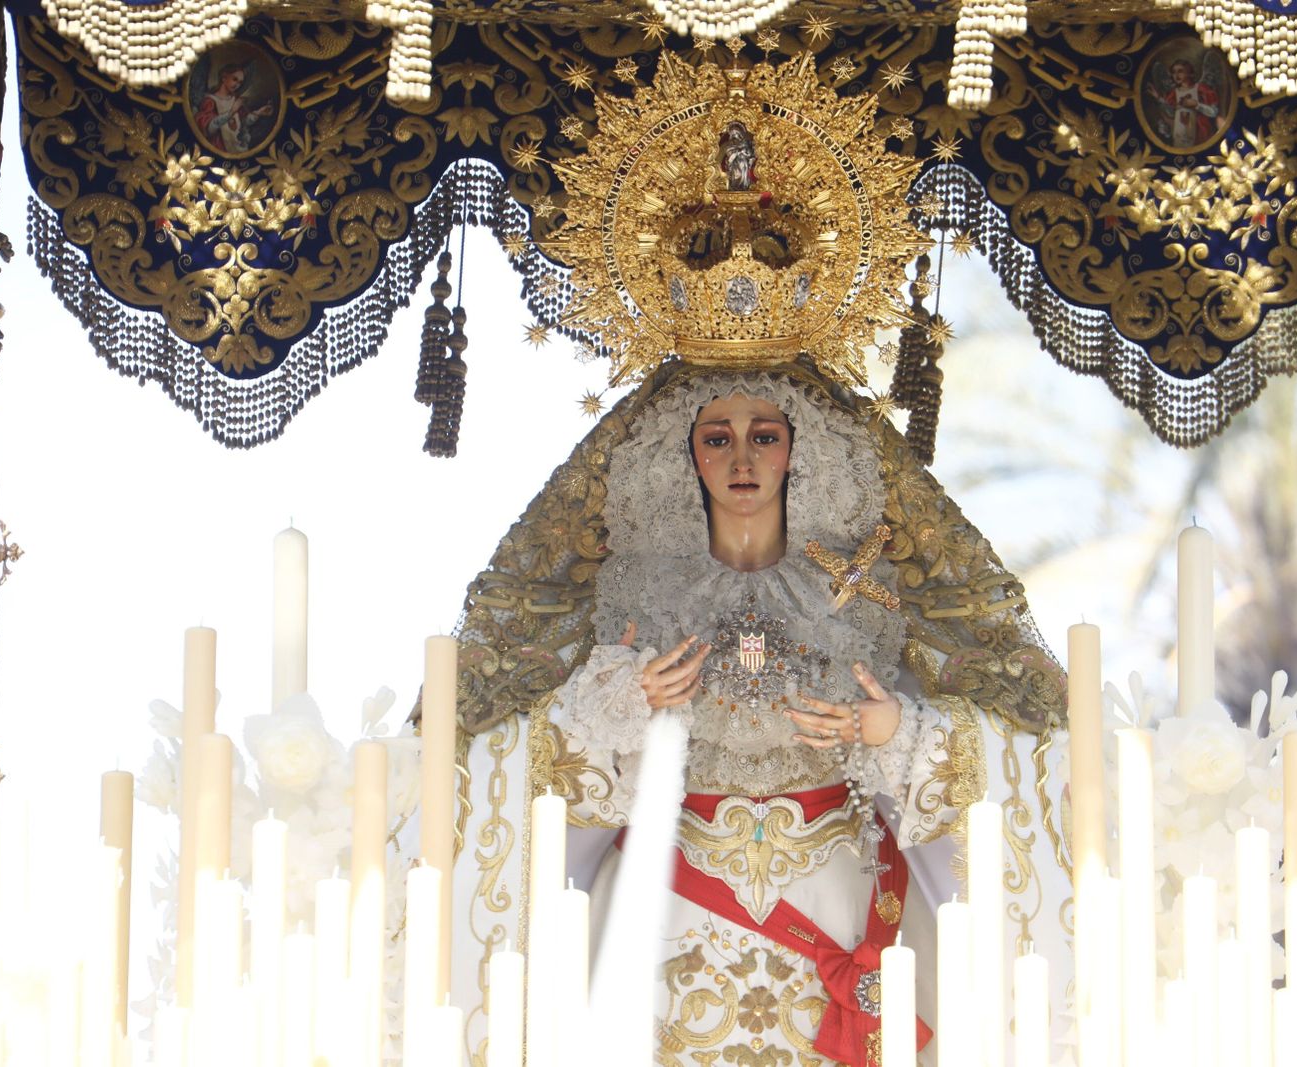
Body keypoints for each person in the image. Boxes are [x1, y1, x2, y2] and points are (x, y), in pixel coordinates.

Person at [439, 359, 1070, 1066]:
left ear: (800, 450)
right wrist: (618, 703)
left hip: (844, 899)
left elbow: (1014, 744)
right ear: (686, 456)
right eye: (717, 439)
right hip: (669, 910)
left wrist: (893, 732)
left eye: (764, 435)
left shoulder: (868, 596)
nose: (742, 458)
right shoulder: (634, 604)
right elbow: (526, 762)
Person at [194, 64, 273, 154]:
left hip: (236, 146)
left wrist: (259, 113)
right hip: (219, 147)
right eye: (235, 79)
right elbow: (209, 128)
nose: (237, 85)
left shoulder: (235, 99)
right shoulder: (210, 101)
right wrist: (231, 112)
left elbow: (243, 123)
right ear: (224, 78)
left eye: (240, 82)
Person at [1149, 58, 1220, 147]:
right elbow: (1171, 113)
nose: (1176, 75)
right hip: (1180, 131)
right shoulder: (1174, 93)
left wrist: (1196, 105)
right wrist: (1159, 98)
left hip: (1200, 131)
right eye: (1174, 72)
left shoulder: (1202, 89)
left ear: (1190, 73)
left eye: (1180, 71)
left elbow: (1213, 112)